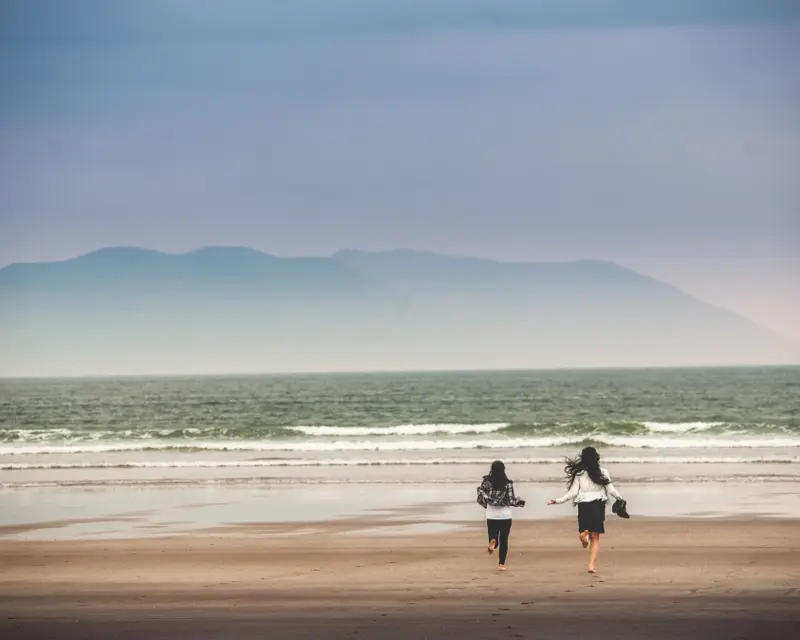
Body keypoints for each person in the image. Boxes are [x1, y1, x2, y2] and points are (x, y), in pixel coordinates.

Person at [547, 446, 623, 573]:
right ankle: (591, 566)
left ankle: (584, 534)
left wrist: (558, 500)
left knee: (585, 532)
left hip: (583, 506)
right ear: (596, 457)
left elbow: (572, 492)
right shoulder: (603, 472)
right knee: (596, 538)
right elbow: (611, 490)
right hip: (598, 506)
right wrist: (620, 498)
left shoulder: (579, 473)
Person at [476, 460, 526, 571]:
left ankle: (493, 542)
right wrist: (520, 502)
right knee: (504, 539)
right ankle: (501, 564)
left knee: (493, 535)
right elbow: (510, 500)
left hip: (491, 515)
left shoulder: (486, 482)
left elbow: (481, 497)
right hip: (505, 516)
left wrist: (486, 505)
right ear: (503, 470)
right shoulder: (508, 483)